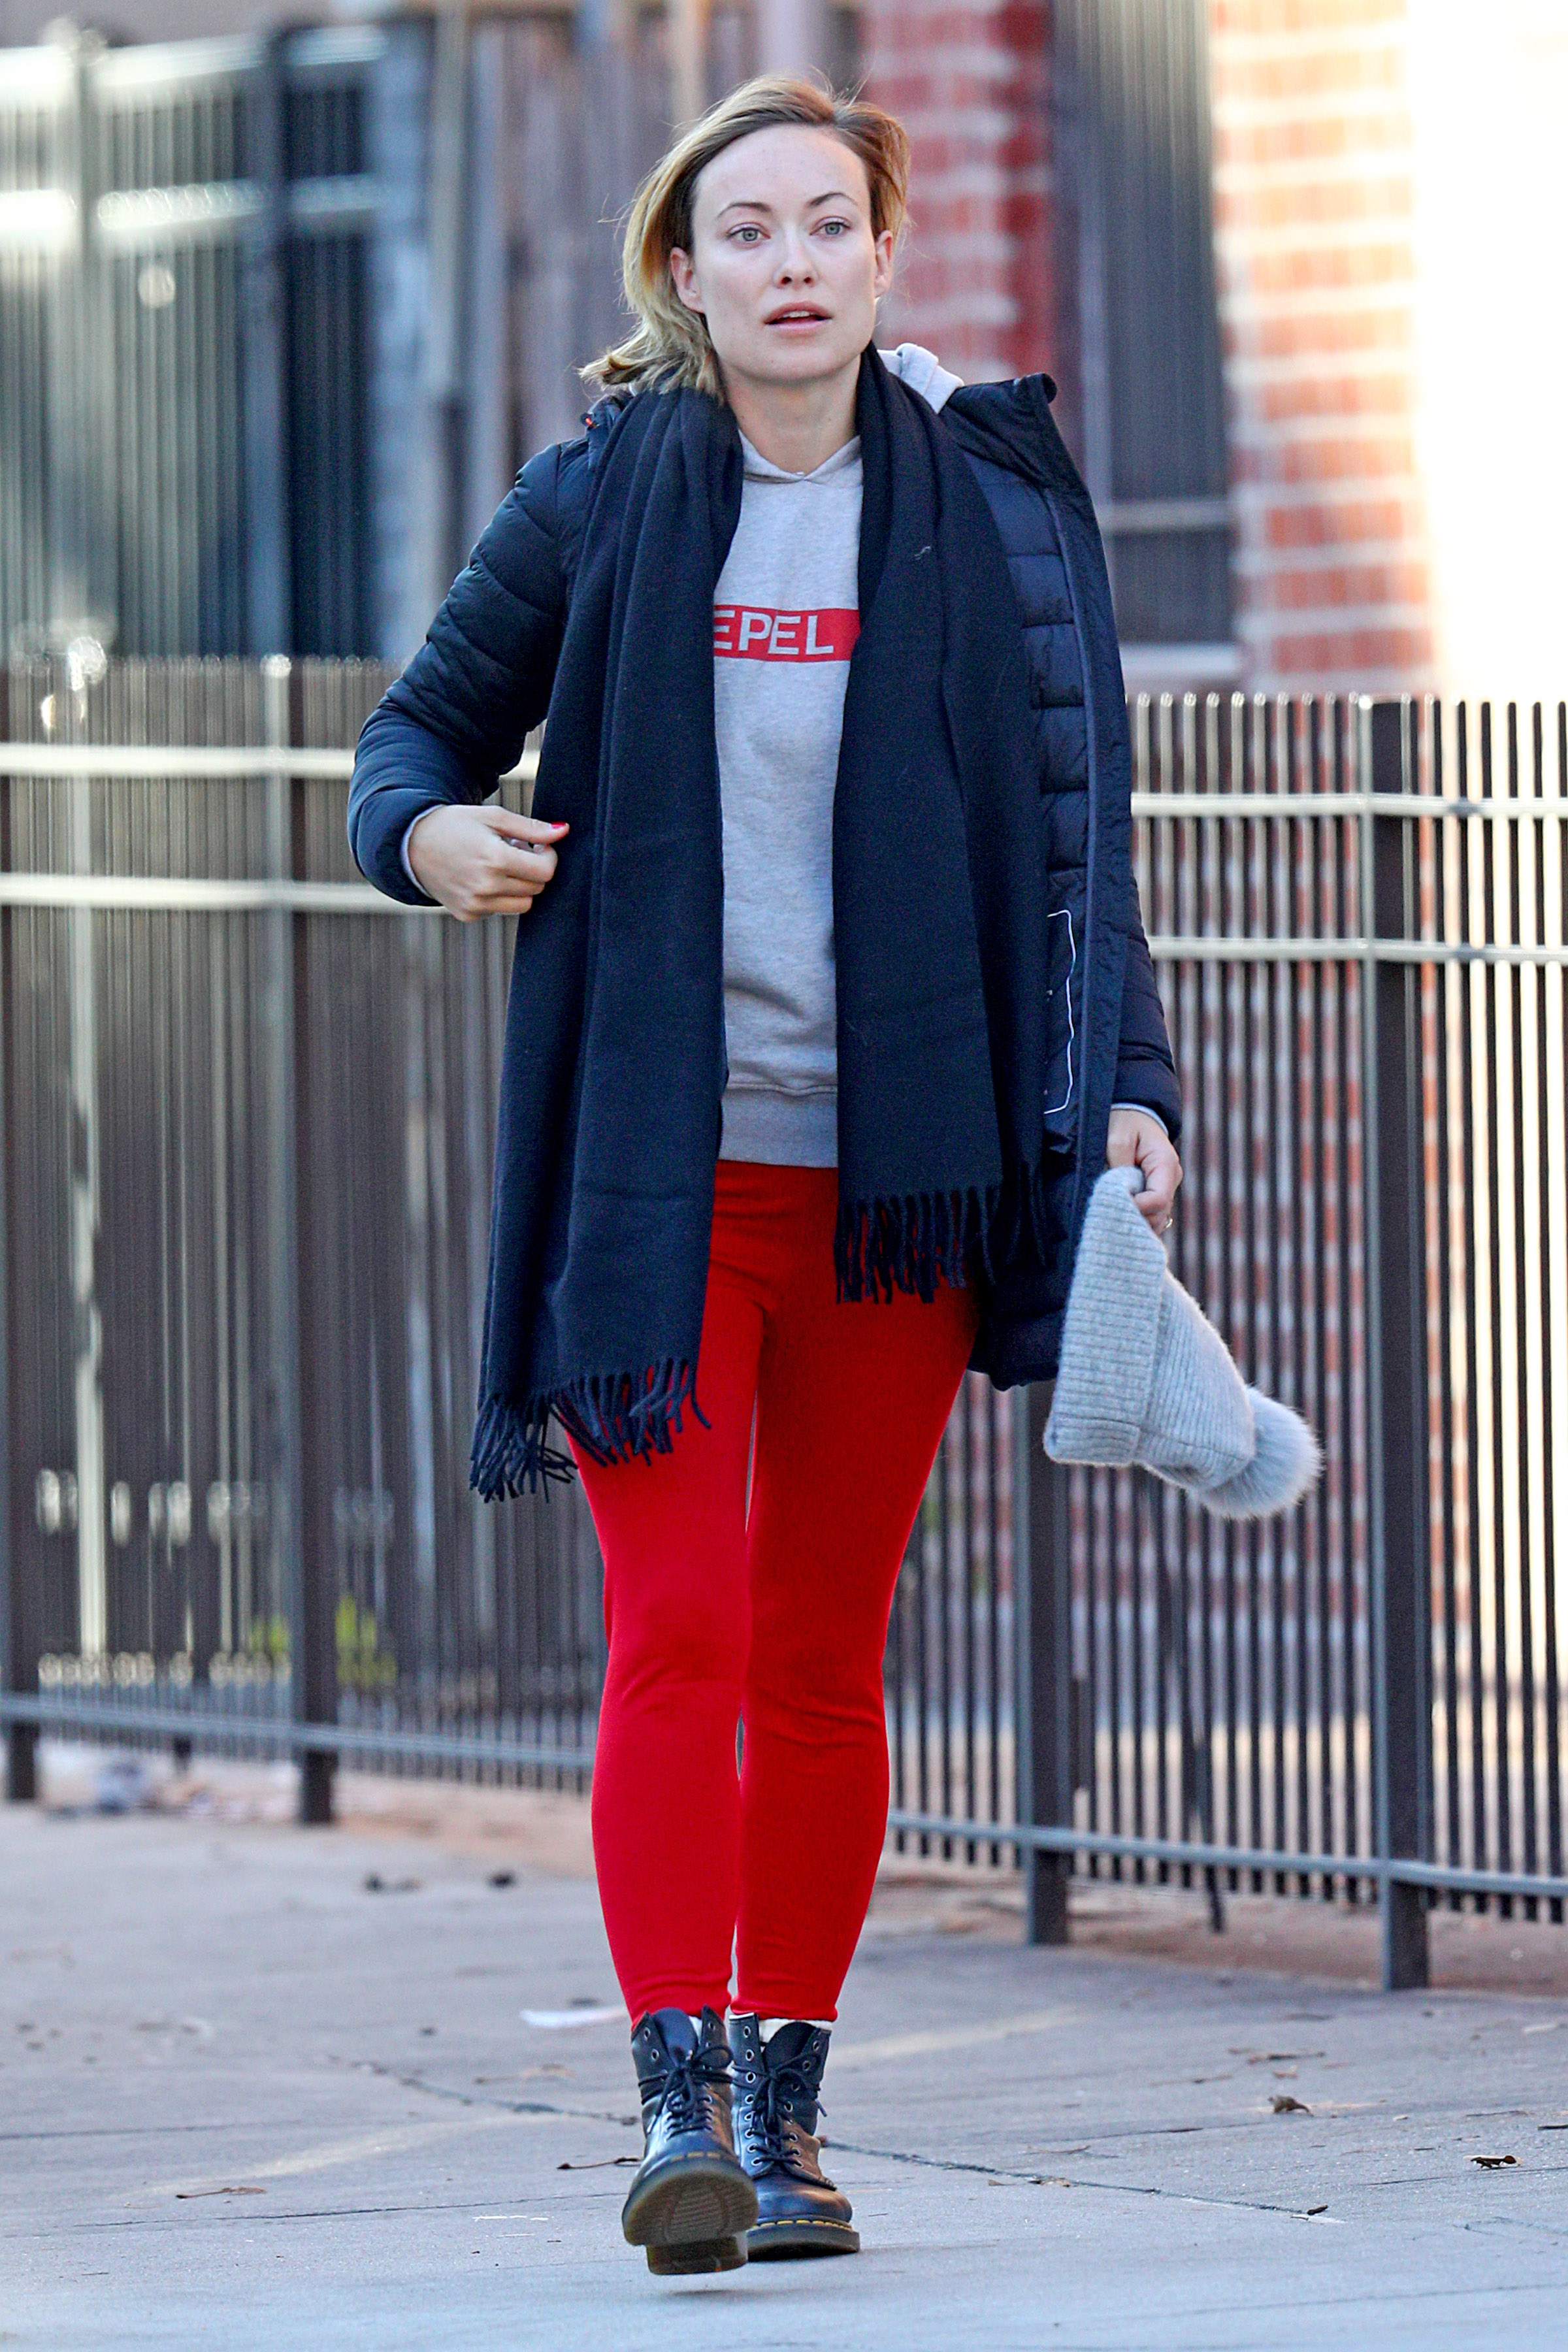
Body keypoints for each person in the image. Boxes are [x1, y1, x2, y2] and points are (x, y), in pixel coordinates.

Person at [348, 73, 1181, 2277]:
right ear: (683, 270)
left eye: (829, 223)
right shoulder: (599, 492)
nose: (792, 264)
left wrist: (1130, 1080)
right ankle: (677, 2101)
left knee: (820, 1650)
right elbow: (411, 739)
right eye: (748, 230)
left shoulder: (990, 496)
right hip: (662, 1175)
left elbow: (1079, 828)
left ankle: (791, 2112)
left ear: (886, 250)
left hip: (899, 1179)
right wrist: (432, 839)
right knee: (684, 1628)